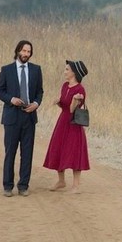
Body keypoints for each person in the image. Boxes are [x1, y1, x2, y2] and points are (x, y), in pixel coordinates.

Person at [0, 39, 43, 196]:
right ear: (17, 51)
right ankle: (7, 186)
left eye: (28, 52)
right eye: (23, 51)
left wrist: (36, 103)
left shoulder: (36, 70)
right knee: (10, 151)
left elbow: (40, 92)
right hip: (12, 117)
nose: (26, 54)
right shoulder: (6, 70)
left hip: (29, 117)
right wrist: (11, 99)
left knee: (27, 152)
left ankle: (23, 185)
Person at [44, 59, 90, 192]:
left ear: (74, 73)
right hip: (62, 121)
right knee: (58, 148)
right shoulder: (65, 86)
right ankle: (61, 180)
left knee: (74, 152)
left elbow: (72, 110)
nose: (65, 72)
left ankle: (76, 185)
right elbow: (64, 105)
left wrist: (76, 100)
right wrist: (58, 102)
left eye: (67, 69)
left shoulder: (80, 89)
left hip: (73, 124)